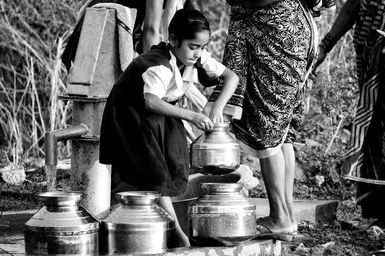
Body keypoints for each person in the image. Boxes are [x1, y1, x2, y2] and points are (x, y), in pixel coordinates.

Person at [99, 9, 239, 247]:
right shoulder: (158, 64)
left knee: (176, 157)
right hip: (130, 113)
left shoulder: (195, 56)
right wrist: (192, 116)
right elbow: (150, 101)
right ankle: (175, 233)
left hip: (161, 111)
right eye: (193, 46)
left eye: (202, 47)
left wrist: (216, 110)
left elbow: (231, 77)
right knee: (153, 170)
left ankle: (165, 222)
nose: (198, 53)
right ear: (174, 40)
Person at [207, 0, 318, 241]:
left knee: (267, 129)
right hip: (291, 29)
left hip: (275, 32)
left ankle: (280, 217)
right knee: (282, 133)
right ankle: (287, 216)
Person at [313, 0, 385, 227]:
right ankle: (380, 212)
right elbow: (354, 5)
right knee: (375, 130)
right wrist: (325, 45)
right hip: (371, 58)